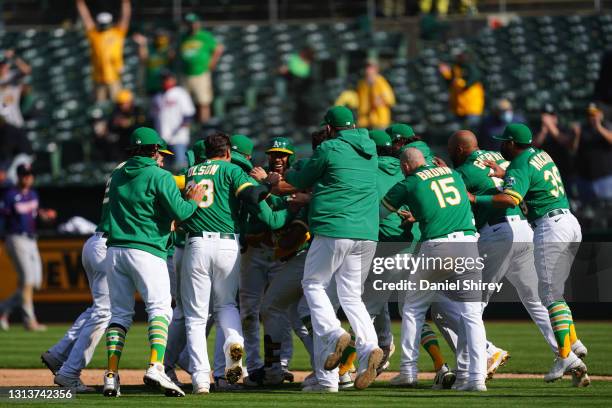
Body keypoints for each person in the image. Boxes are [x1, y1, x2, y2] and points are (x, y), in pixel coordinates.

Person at [473, 123, 590, 387]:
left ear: (513, 144)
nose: (502, 145)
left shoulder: (519, 163)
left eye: (505, 142)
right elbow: (531, 181)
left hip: (550, 227)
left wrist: (475, 199)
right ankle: (573, 343)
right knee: (552, 293)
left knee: (549, 295)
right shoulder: (540, 154)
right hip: (570, 222)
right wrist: (506, 173)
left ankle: (564, 355)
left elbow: (511, 199)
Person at [441, 130, 558, 382]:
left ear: (460, 149)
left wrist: (446, 174)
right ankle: (567, 352)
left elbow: (451, 196)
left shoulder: (464, 172)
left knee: (467, 304)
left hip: (497, 233)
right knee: (535, 299)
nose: (449, 153)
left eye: (451, 149)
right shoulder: (496, 155)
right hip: (524, 230)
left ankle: (479, 361)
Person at [281, 106, 382, 392]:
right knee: (351, 296)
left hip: (335, 228)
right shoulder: (370, 148)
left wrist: (279, 180)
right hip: (367, 233)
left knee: (313, 283)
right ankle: (368, 349)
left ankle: (333, 332)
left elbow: (299, 181)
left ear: (328, 128)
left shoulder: (330, 147)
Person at [101, 127, 205, 398]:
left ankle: (111, 374)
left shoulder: (118, 173)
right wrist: (192, 200)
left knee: (120, 315)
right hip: (146, 250)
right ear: (155, 150)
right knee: (160, 310)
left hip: (114, 251)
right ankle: (156, 366)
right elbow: (182, 212)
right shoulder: (161, 175)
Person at [179, 131, 280, 394]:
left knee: (196, 317)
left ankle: (201, 380)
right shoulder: (231, 169)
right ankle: (234, 341)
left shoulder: (192, 171)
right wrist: (268, 184)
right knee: (226, 304)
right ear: (227, 152)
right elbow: (252, 197)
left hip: (197, 243)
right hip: (227, 243)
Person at [381, 147, 487, 391]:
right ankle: (475, 378)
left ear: (406, 166)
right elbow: (444, 204)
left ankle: (408, 371)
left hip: (438, 246)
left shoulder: (408, 182)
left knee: (413, 308)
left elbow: (381, 213)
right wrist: (419, 215)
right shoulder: (452, 174)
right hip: (469, 244)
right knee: (471, 315)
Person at [41, 160, 129, 392]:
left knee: (98, 308)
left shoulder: (123, 168)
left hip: (95, 241)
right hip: (108, 244)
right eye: (159, 154)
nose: (161, 159)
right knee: (104, 312)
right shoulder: (140, 171)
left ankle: (58, 353)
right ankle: (69, 372)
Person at [0, 164, 55, 332]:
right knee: (28, 280)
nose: (27, 177)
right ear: (18, 176)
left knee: (35, 282)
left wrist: (44, 216)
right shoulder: (10, 195)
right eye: (24, 174)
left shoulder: (33, 194)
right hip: (16, 238)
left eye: (30, 174)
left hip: (31, 240)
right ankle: (29, 320)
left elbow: (34, 214)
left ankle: (2, 309)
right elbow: (2, 218)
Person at [76, 0, 131, 102]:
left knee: (118, 105)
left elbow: (125, 18)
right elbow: (86, 18)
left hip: (114, 77)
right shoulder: (95, 34)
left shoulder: (117, 33)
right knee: (99, 108)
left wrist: (125, 3)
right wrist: (80, 4)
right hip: (98, 79)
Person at [180, 13, 224, 124]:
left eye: (193, 23)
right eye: (189, 23)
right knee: (185, 103)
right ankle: (189, 126)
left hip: (201, 73)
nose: (192, 25)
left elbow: (218, 48)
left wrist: (212, 62)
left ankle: (204, 125)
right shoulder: (183, 37)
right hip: (186, 73)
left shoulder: (204, 36)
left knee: (203, 102)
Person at [151, 70, 196, 170]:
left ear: (173, 80)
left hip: (178, 137)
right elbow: (153, 117)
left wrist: (183, 127)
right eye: (163, 79)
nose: (165, 81)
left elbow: (188, 114)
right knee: (165, 169)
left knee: (181, 168)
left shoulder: (180, 93)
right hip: (162, 140)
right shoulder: (157, 97)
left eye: (167, 79)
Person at [574, 103, 612, 201]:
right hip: (585, 179)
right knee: (586, 212)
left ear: (601, 114)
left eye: (594, 114)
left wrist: (598, 126)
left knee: (607, 211)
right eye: (590, 114)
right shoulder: (582, 128)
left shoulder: (606, 125)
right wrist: (576, 135)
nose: (592, 117)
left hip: (604, 179)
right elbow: (573, 149)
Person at [438, 50, 484, 128]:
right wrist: (445, 73)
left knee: (470, 133)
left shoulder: (471, 68)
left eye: (460, 56)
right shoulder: (457, 68)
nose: (458, 58)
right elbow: (450, 82)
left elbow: (467, 83)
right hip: (458, 109)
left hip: (471, 109)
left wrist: (458, 82)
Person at [533, 103, 576, 182]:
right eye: (544, 116)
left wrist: (550, 126)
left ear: (555, 117)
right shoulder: (538, 129)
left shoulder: (562, 127)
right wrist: (543, 131)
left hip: (563, 171)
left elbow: (565, 142)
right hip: (544, 173)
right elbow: (534, 146)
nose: (546, 119)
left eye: (550, 115)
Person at [279, 47, 315, 127]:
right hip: (297, 94)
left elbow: (303, 74)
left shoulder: (312, 66)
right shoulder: (295, 59)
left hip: (306, 95)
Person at [106, 89, 147, 161]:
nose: (123, 106)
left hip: (137, 143)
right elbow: (110, 125)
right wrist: (116, 123)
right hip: (122, 144)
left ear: (130, 102)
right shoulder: (116, 112)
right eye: (121, 104)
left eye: (125, 103)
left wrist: (129, 123)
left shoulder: (138, 111)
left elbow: (142, 125)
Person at [133, 31, 175, 96]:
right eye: (159, 38)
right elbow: (143, 58)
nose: (161, 41)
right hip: (152, 84)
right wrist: (143, 44)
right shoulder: (151, 49)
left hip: (165, 85)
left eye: (163, 38)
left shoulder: (167, 50)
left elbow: (172, 61)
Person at [356, 61, 396, 129]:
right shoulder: (362, 84)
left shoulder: (381, 82)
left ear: (376, 69)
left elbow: (391, 100)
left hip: (380, 121)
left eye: (370, 68)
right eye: (367, 67)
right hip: (364, 121)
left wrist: (381, 100)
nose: (368, 70)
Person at [0, 49, 31, 128]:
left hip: (15, 119)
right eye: (1, 66)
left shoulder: (12, 75)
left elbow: (26, 70)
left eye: (5, 65)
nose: (4, 67)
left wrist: (14, 57)